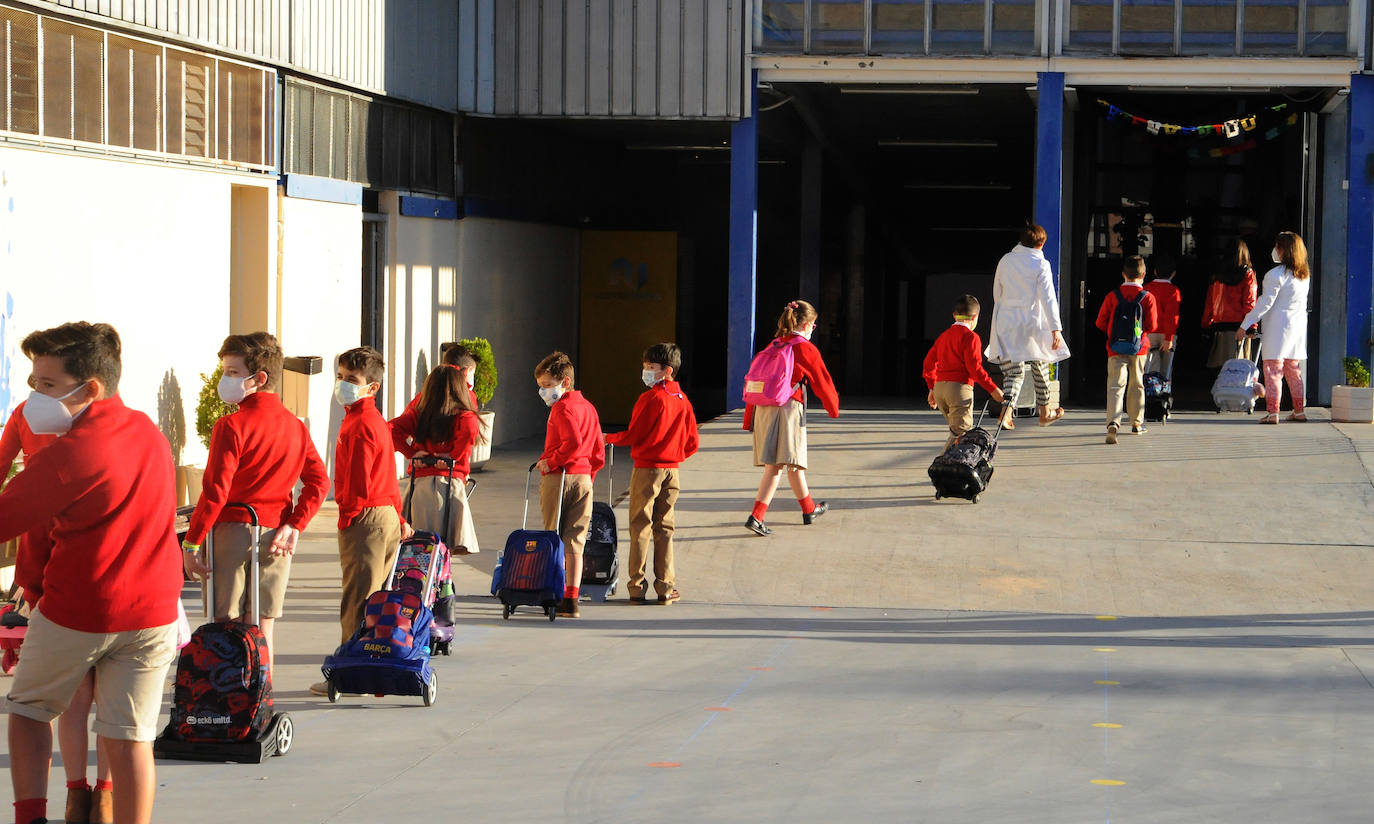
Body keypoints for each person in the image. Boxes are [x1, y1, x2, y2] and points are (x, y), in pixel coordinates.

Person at [0, 322, 182, 824]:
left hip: (80, 610)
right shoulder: (146, 430)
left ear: (91, 389)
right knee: (130, 740)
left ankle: (31, 816)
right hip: (154, 614)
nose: (34, 395)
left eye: (47, 385)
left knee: (30, 711)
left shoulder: (71, 454)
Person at [181, 332, 328, 676]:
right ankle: (262, 698)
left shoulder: (231, 426)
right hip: (276, 533)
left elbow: (215, 491)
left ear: (258, 379)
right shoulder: (296, 427)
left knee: (224, 622)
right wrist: (294, 524)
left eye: (232, 372)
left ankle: (225, 698)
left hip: (232, 531)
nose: (225, 379)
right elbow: (320, 482)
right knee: (263, 625)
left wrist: (192, 542)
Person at [0, 394, 105, 824]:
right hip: (116, 578)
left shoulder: (31, 415)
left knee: (54, 703)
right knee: (117, 719)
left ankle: (78, 796)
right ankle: (98, 798)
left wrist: (29, 589)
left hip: (60, 577)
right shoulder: (115, 422)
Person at [310, 347, 413, 696]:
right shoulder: (377, 422)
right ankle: (372, 669)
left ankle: (349, 675)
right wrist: (399, 518)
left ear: (372, 387)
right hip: (384, 514)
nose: (342, 385)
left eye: (351, 380)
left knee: (358, 601)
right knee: (376, 599)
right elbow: (388, 475)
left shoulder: (357, 425)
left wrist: (347, 517)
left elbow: (356, 481)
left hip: (365, 517)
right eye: (340, 378)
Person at [605, 343, 699, 604]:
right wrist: (673, 455)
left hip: (647, 469)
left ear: (666, 371)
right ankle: (666, 587)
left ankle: (636, 587)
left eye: (650, 367)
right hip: (672, 470)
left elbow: (634, 434)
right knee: (665, 528)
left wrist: (607, 437)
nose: (645, 371)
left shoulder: (650, 399)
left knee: (640, 527)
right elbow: (693, 442)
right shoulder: (682, 400)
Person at [742, 300, 840, 536]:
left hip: (764, 409)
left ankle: (809, 509)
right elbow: (822, 380)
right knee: (776, 466)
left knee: (793, 462)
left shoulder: (774, 344)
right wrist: (833, 408)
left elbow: (756, 383)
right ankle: (756, 517)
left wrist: (748, 418)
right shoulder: (804, 348)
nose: (812, 330)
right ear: (807, 324)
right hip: (787, 409)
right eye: (813, 326)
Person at [534, 352, 605, 618]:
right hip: (584, 477)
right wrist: (588, 475)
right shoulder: (588, 407)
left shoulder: (562, 408)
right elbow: (597, 450)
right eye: (541, 386)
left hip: (560, 477)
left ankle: (551, 591)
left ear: (565, 382)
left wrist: (551, 462)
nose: (543, 391)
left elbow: (572, 444)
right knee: (575, 540)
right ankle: (571, 598)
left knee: (553, 536)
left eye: (548, 385)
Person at [390, 366, 485, 556]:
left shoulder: (420, 413)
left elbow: (390, 429)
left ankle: (419, 580)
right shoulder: (464, 416)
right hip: (449, 484)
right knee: (443, 547)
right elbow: (467, 436)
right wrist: (453, 457)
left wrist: (411, 453)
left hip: (420, 486)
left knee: (419, 546)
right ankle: (440, 582)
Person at [985, 224, 1069, 429]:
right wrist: (1055, 328)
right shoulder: (1041, 265)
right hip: (1032, 321)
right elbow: (1048, 298)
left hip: (1006, 319)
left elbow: (997, 291)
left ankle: (1006, 414)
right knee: (1041, 365)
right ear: (1042, 244)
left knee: (1013, 373)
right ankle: (1044, 412)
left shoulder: (1006, 260)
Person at [1238, 231, 1311, 424]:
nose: (1274, 250)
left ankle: (1273, 412)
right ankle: (1299, 410)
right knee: (1293, 370)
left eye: (1277, 246)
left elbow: (1264, 303)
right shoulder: (1303, 276)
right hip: (1297, 328)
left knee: (1272, 370)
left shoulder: (1274, 275)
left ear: (1283, 250)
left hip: (1277, 327)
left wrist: (1245, 325)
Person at [923, 295, 1006, 453]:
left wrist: (932, 388)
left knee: (956, 433)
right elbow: (974, 368)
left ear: (954, 315)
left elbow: (928, 363)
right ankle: (942, 469)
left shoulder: (943, 337)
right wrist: (993, 390)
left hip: (940, 389)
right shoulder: (971, 337)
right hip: (959, 390)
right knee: (961, 435)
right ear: (975, 317)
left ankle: (950, 470)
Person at [1096, 255, 1160, 444]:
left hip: (1115, 347)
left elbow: (1100, 322)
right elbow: (1153, 325)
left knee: (1115, 385)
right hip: (1139, 348)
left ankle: (1113, 424)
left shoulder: (1112, 296)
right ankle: (1136, 424)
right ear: (1144, 275)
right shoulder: (1148, 298)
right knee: (1137, 384)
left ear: (1123, 274)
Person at [1202, 239, 1259, 367]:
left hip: (1219, 327)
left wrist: (1206, 324)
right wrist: (1252, 326)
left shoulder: (1216, 276)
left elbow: (1209, 303)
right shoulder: (1247, 275)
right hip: (1240, 328)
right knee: (1239, 371)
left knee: (1221, 370)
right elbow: (1250, 302)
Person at [1144, 253, 1182, 377]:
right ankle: (1164, 392)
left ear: (1155, 271)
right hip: (1167, 333)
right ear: (1173, 273)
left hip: (1149, 333)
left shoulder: (1146, 289)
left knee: (1150, 367)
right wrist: (1169, 337)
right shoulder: (1174, 291)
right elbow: (1172, 316)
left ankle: (1150, 392)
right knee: (1166, 370)